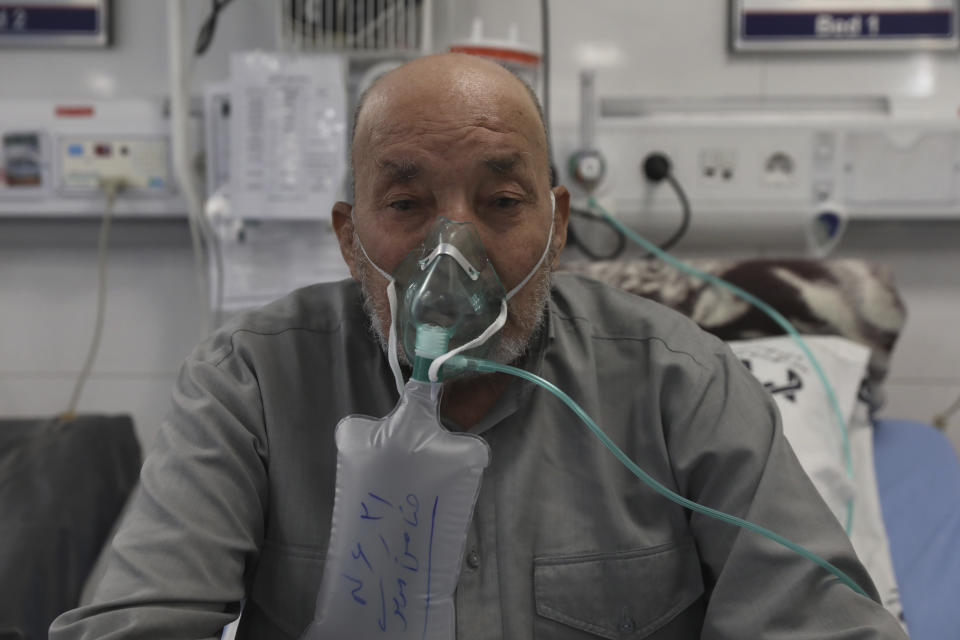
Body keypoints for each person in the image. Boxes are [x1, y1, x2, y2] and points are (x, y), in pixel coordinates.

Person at [52, 53, 907, 639]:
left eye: (501, 200)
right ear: (351, 239)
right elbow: (138, 619)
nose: (449, 253)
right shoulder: (252, 384)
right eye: (407, 205)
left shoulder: (681, 387)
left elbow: (819, 622)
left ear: (557, 225)